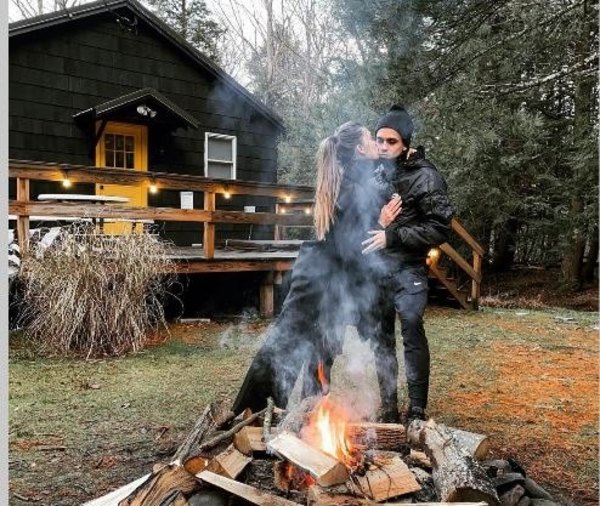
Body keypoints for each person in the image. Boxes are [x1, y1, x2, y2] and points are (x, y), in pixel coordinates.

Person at [231, 121, 400, 416]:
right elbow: (351, 248)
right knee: (287, 341)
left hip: (322, 275)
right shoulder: (352, 188)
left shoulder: (352, 180)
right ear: (359, 149)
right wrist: (381, 224)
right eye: (369, 140)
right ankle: (250, 412)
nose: (377, 144)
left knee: (311, 345)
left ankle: (298, 415)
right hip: (320, 278)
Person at [362, 105, 454, 422]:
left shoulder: (426, 177)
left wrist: (394, 236)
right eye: (380, 140)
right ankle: (388, 407)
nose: (384, 147)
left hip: (409, 268)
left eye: (392, 141)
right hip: (377, 270)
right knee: (381, 337)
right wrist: (377, 223)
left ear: (405, 144)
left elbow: (441, 227)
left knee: (412, 327)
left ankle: (416, 409)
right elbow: (360, 221)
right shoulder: (373, 175)